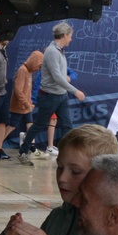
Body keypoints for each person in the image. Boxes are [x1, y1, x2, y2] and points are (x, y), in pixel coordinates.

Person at [37, 22, 85, 153]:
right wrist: (75, 91)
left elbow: (62, 73)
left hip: (61, 94)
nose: (71, 39)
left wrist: (68, 79)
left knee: (67, 125)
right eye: (70, 36)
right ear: (64, 35)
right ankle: (24, 150)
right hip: (50, 95)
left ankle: (67, 152)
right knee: (39, 125)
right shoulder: (52, 51)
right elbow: (57, 76)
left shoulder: (60, 52)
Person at [10, 49, 44, 164]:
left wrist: (30, 103)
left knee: (30, 125)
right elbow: (18, 90)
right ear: (34, 61)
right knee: (11, 126)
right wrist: (26, 103)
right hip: (20, 106)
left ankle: (32, 147)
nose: (38, 69)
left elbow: (27, 91)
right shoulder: (22, 70)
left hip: (26, 106)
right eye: (38, 66)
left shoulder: (29, 72)